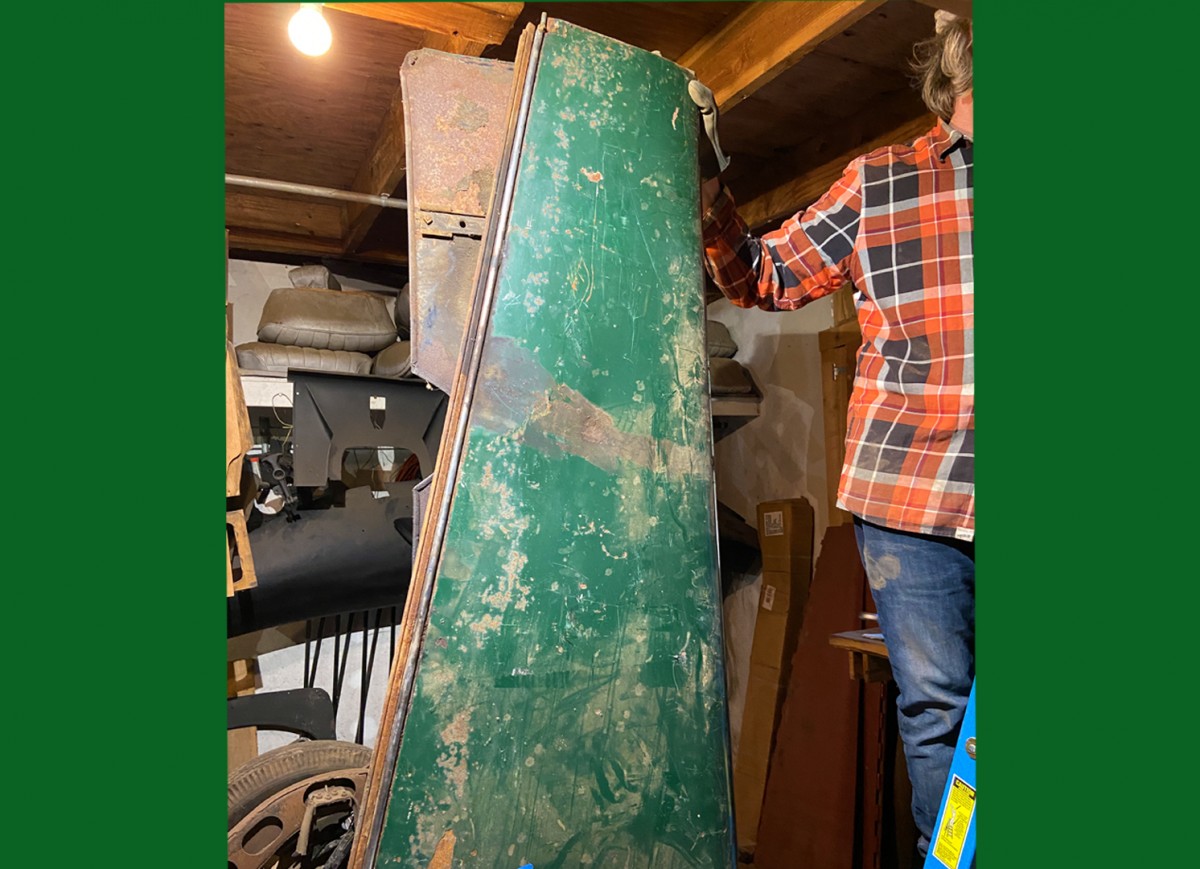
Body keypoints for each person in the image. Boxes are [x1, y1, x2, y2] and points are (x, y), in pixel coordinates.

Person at [700, 12, 974, 860]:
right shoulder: (881, 182)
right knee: (937, 711)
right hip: (913, 500)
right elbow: (766, 276)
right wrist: (709, 196)